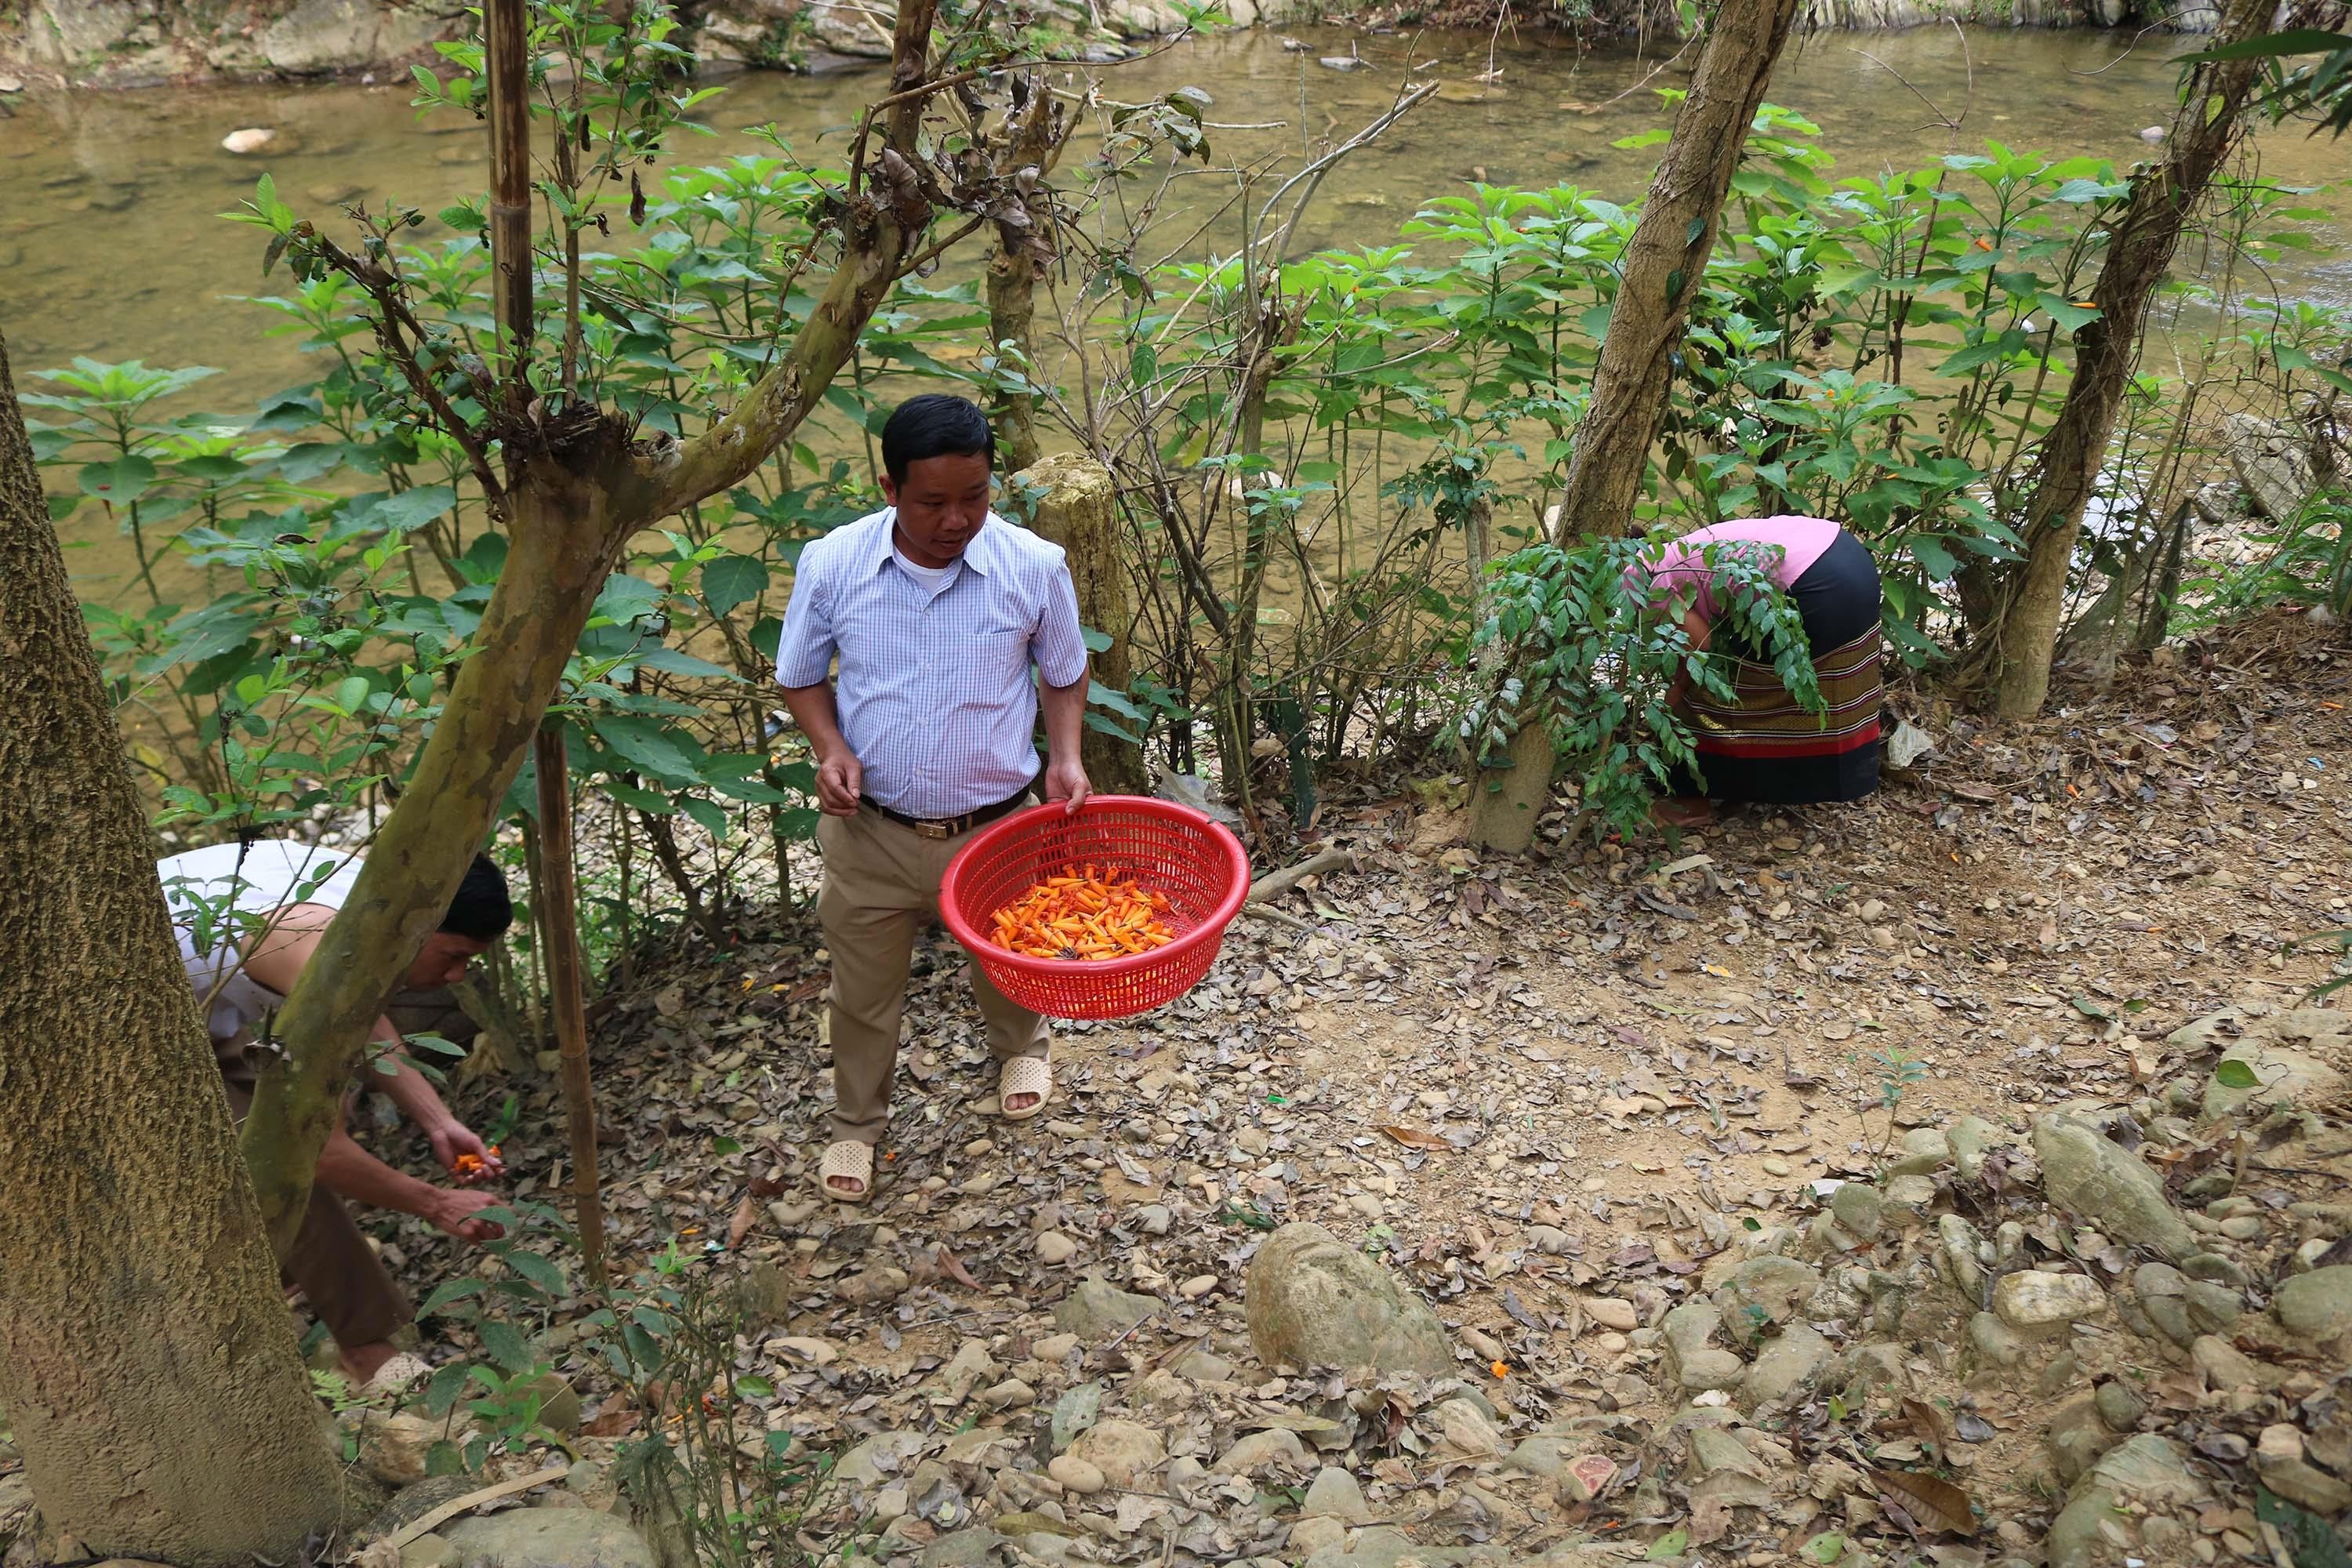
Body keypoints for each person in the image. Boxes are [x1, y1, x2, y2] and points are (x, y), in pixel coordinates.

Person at [775, 394, 1091, 1204]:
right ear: (889, 488)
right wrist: (830, 747)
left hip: (996, 826)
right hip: (870, 829)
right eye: (933, 502)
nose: (958, 519)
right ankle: (856, 1123)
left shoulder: (1033, 566)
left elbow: (1063, 669)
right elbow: (800, 673)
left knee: (1009, 956)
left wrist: (1066, 757)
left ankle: (1023, 1043)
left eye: (976, 495)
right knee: (862, 987)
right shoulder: (834, 563)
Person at [157, 836, 514, 1393]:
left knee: (277, 1146)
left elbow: (363, 1019)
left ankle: (283, 1273)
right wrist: (438, 1204)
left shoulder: (376, 902)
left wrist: (437, 1120)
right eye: (455, 956)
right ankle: (366, 1348)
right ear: (418, 927)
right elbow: (311, 1151)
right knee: (263, 1155)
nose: (458, 976)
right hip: (130, 1043)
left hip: (202, 1012)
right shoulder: (315, 950)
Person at [1642, 515, 1884, 827]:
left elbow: (1700, 649)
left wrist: (1674, 695)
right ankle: (1742, 783)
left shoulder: (1645, 585)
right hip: (1849, 557)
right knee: (1803, 679)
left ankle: (1691, 802)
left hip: (1816, 582)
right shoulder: (1669, 553)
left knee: (1709, 689)